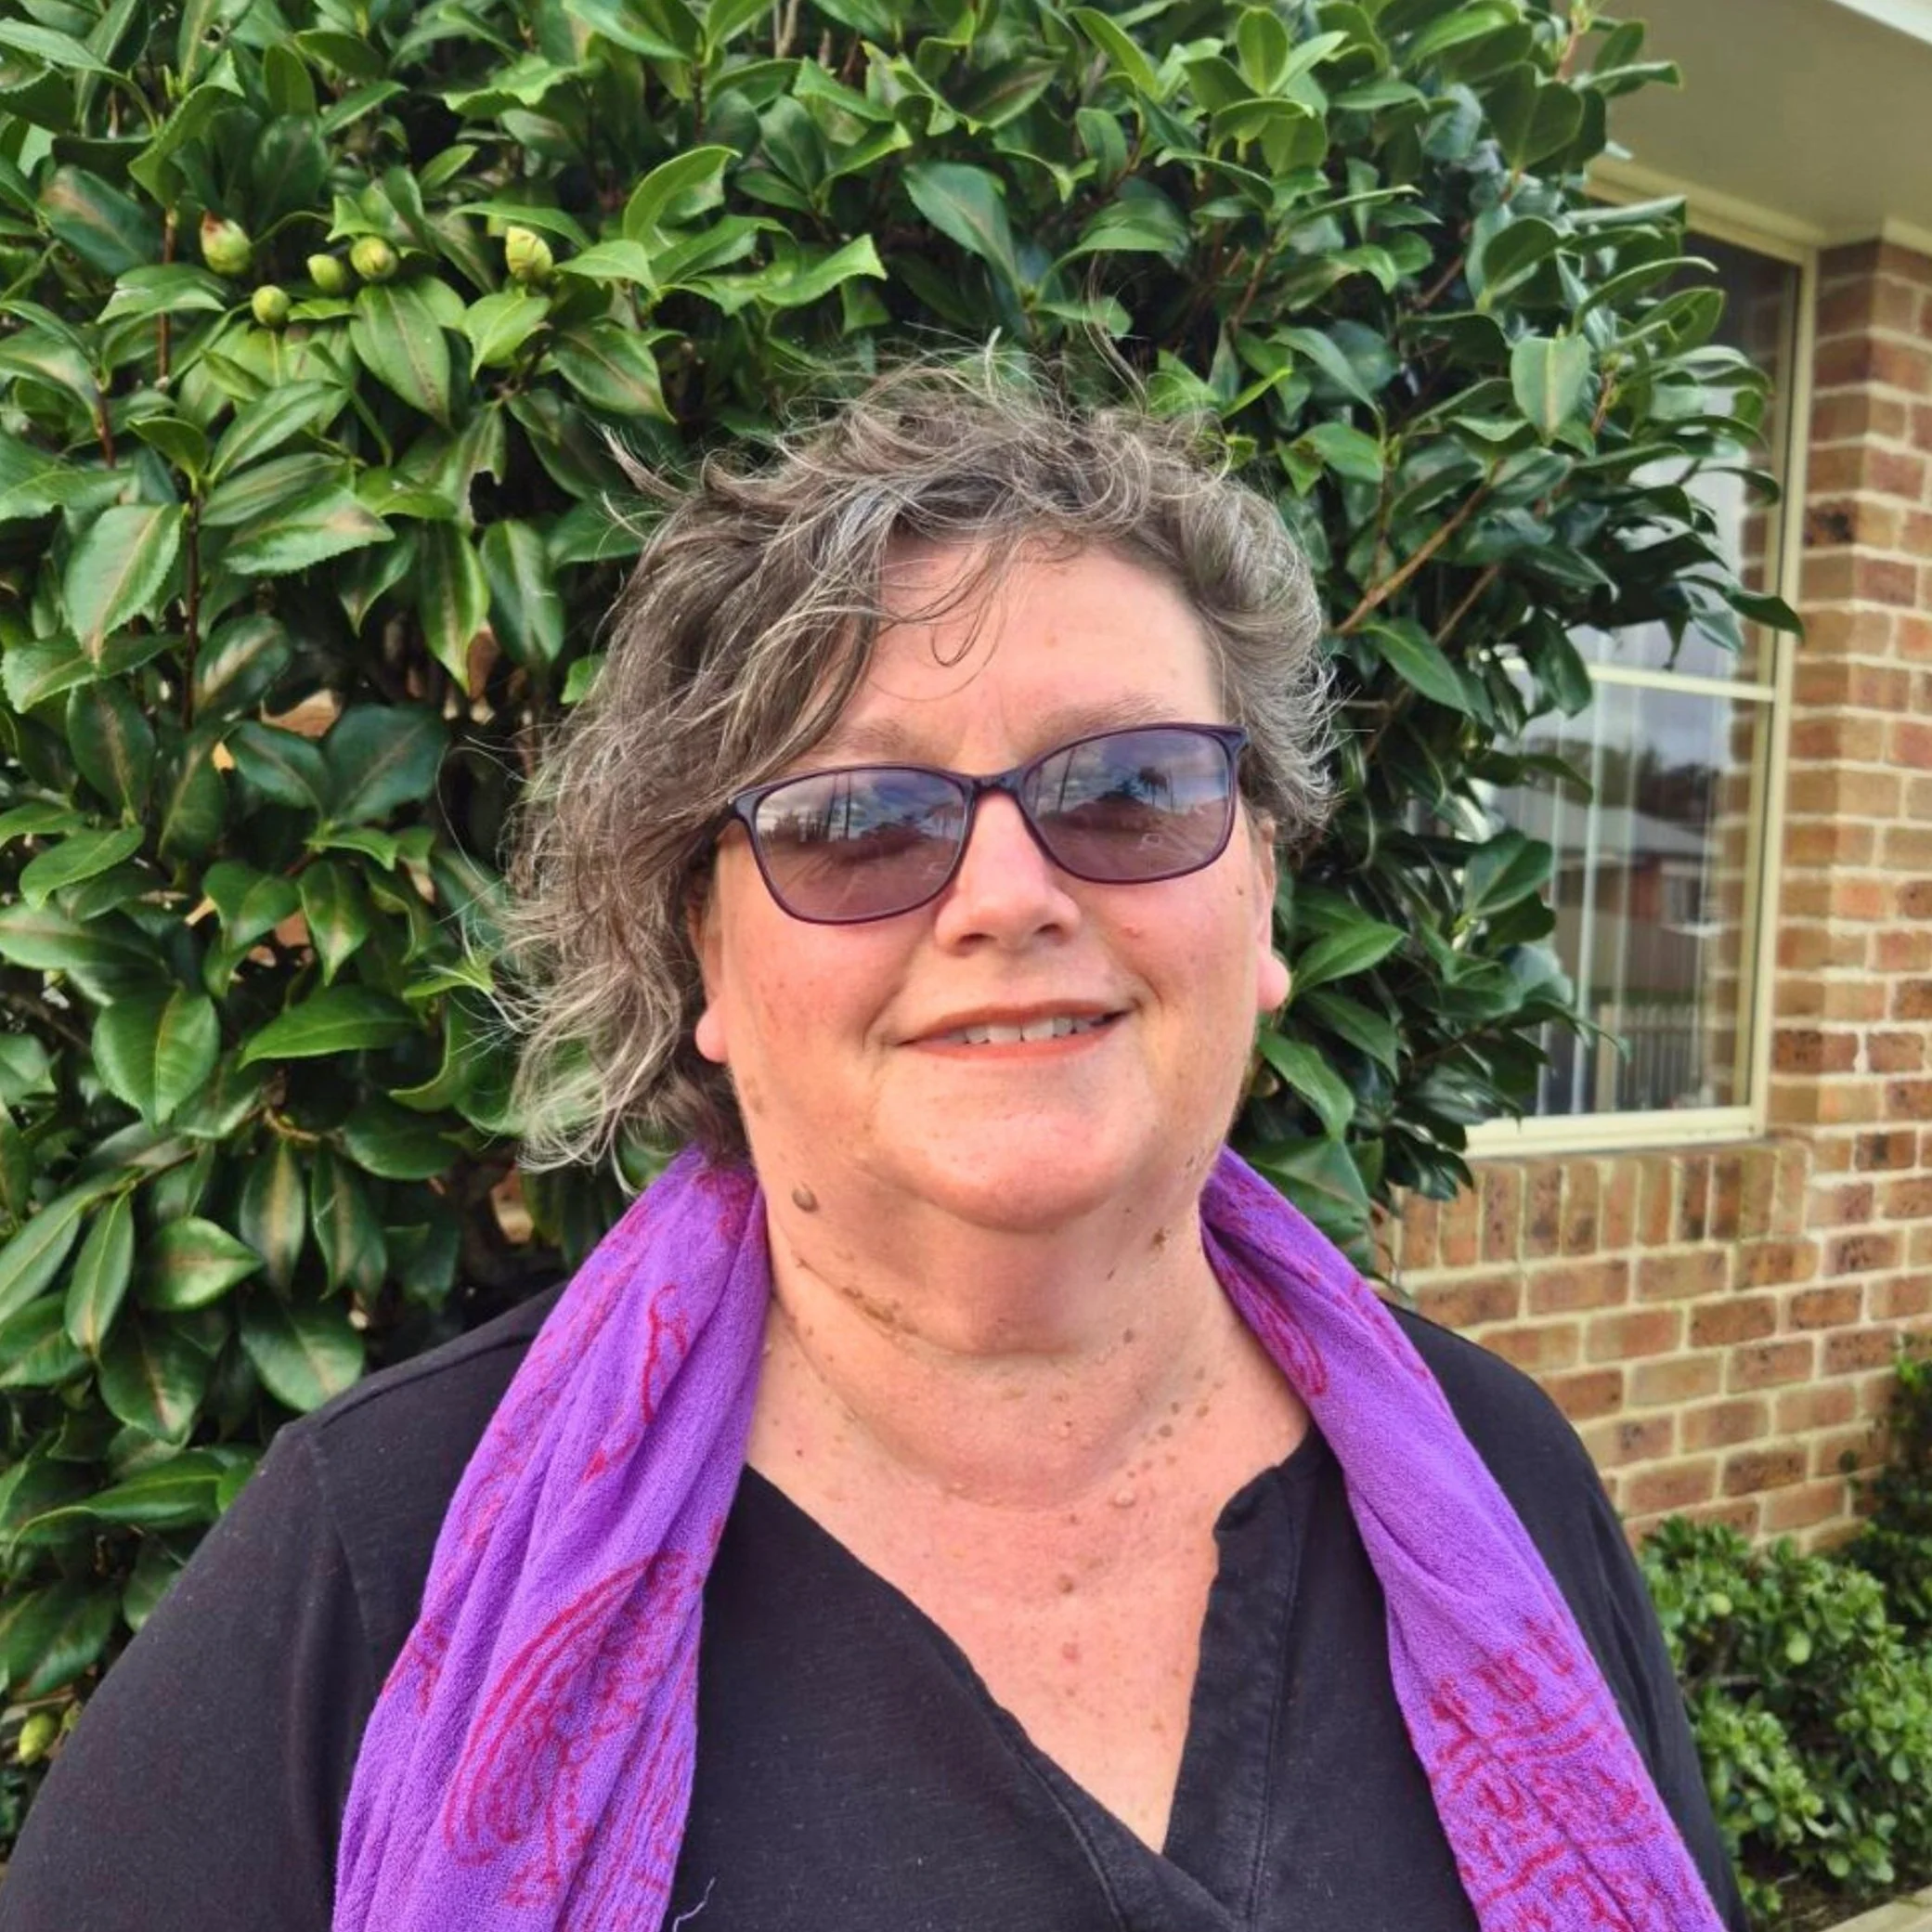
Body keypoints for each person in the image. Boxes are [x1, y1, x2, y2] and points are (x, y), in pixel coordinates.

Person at [1, 361, 1749, 1932]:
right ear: (703, 956)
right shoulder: (376, 1565)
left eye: (1129, 789)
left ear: (1264, 893)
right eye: (855, 823)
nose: (1008, 897)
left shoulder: (1505, 1483)